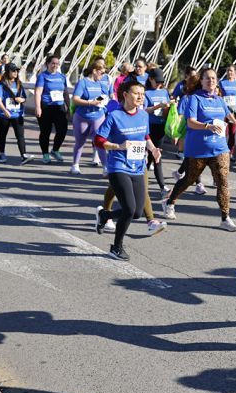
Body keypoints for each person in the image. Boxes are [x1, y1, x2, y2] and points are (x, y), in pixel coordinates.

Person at [160, 67, 236, 232]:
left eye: (213, 78)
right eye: (207, 78)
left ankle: (225, 218)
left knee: (223, 182)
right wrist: (207, 126)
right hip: (198, 148)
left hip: (220, 148)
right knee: (189, 179)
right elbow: (191, 122)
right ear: (201, 81)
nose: (211, 81)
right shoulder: (194, 99)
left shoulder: (219, 100)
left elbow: (228, 114)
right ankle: (170, 202)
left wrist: (235, 121)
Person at [94, 79, 167, 259]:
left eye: (142, 94)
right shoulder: (114, 116)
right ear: (125, 94)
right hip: (118, 166)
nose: (140, 97)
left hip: (138, 166)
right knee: (128, 208)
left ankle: (105, 215)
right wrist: (118, 146)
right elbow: (98, 140)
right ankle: (116, 247)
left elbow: (145, 135)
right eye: (136, 93)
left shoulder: (143, 115)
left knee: (136, 212)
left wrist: (153, 149)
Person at [70, 59, 110, 175]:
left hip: (98, 116)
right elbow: (75, 99)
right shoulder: (83, 82)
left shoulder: (101, 83)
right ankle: (75, 165)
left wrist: (103, 101)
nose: (103, 75)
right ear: (94, 71)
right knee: (80, 142)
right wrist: (89, 103)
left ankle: (105, 168)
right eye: (101, 73)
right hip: (82, 117)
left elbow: (105, 96)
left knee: (100, 142)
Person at [34, 54, 70, 164]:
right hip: (46, 107)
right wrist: (38, 107)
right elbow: (38, 92)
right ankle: (45, 154)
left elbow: (65, 93)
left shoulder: (62, 77)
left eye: (57, 63)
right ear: (47, 64)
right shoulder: (42, 76)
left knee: (62, 130)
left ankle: (55, 150)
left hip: (59, 107)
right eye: (53, 63)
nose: (55, 65)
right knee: (45, 131)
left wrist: (68, 107)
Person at [0, 63, 31, 164]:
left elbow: (24, 98)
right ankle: (2, 154)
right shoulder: (1, 84)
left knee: (20, 136)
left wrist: (21, 100)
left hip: (17, 114)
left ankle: (23, 155)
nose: (16, 73)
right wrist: (5, 110)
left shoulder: (19, 84)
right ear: (7, 71)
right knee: (3, 135)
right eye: (13, 71)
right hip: (3, 115)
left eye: (17, 71)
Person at [143, 67, 172, 197]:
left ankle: (160, 186)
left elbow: (167, 109)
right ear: (150, 79)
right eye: (157, 81)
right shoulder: (145, 93)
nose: (160, 84)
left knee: (155, 156)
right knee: (151, 157)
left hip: (161, 127)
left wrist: (171, 106)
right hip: (149, 127)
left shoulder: (164, 92)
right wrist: (157, 106)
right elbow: (143, 110)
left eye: (161, 82)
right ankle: (159, 185)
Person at [219, 64, 236, 164]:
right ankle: (222, 153)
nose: (229, 72)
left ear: (235, 73)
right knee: (224, 133)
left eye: (231, 71)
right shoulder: (221, 83)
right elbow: (219, 96)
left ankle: (230, 154)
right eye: (228, 70)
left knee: (232, 134)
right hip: (223, 112)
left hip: (233, 112)